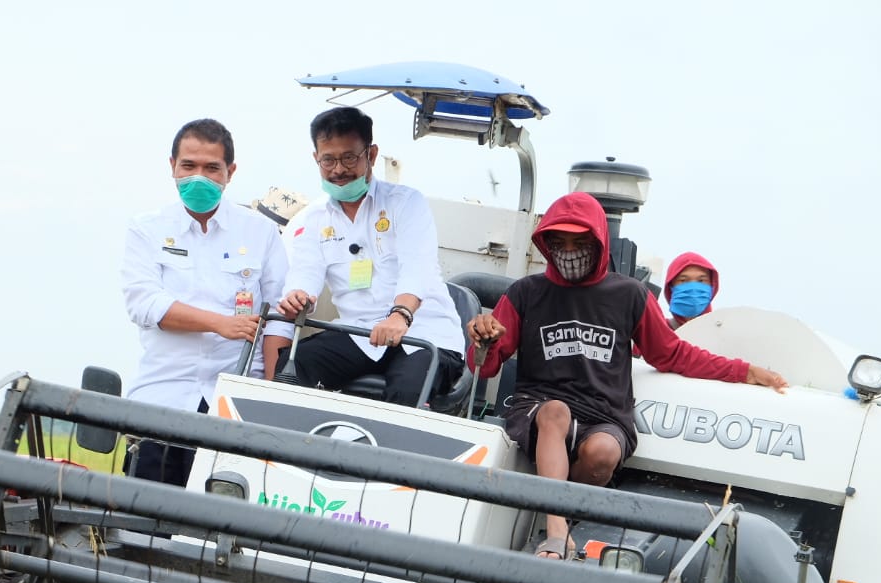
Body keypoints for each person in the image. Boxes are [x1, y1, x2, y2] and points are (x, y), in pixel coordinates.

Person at [467, 192, 787, 559]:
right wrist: (482, 340)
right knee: (555, 411)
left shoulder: (629, 295)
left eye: (580, 242)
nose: (570, 251)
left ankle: (559, 511)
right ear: (547, 244)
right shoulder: (526, 292)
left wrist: (744, 371)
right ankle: (557, 534)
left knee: (603, 452)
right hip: (539, 408)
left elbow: (672, 354)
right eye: (561, 242)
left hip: (604, 413)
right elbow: (483, 367)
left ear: (599, 242)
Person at [121, 118, 291, 486]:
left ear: (230, 172)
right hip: (162, 397)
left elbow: (279, 316)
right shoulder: (147, 228)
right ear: (172, 166)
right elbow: (143, 303)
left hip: (235, 404)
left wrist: (270, 396)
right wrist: (219, 323)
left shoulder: (260, 232)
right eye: (189, 166)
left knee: (223, 530)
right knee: (143, 525)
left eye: (211, 168)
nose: (199, 177)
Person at [277, 106, 465, 407]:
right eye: (328, 159)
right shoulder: (312, 218)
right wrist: (298, 296)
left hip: (425, 335)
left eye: (349, 157)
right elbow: (305, 272)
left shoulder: (406, 203)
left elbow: (417, 268)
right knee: (292, 367)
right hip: (359, 335)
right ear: (316, 158)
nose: (338, 169)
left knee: (406, 396)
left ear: (372, 154)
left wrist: (400, 315)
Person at [664, 251, 719, 329]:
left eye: (701, 281)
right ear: (670, 287)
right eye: (683, 281)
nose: (693, 288)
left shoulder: (724, 329)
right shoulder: (657, 330)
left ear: (712, 285)